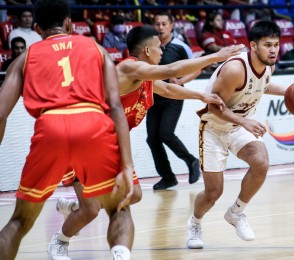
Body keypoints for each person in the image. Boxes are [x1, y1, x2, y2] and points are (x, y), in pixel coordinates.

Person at [49, 25, 244, 259]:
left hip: (110, 147)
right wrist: (215, 56)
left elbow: (170, 89)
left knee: (134, 195)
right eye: (159, 47)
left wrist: (201, 96)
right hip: (83, 141)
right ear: (148, 50)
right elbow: (171, 70)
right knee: (91, 210)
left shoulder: (144, 79)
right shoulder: (128, 67)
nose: (162, 51)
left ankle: (75, 207)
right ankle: (60, 241)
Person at [0, 1, 136, 260]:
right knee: (119, 210)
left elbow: (0, 114)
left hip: (50, 127)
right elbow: (116, 106)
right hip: (93, 124)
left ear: (37, 28)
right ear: (69, 24)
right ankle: (120, 254)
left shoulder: (25, 57)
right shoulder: (96, 48)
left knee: (18, 222)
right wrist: (127, 165)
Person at [186, 20, 289, 249]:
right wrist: (245, 121)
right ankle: (194, 223)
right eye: (267, 45)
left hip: (240, 126)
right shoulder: (234, 69)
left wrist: (291, 92)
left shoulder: (268, 67)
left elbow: (262, 85)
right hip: (213, 128)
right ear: (253, 46)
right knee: (213, 193)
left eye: (276, 44)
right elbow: (214, 106)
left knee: (261, 162)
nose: (273, 50)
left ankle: (236, 213)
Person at [147, 12, 206, 190]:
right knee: (152, 139)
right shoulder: (150, 45)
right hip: (153, 96)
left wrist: (181, 81)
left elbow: (198, 68)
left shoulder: (180, 46)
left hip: (173, 96)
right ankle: (168, 177)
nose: (160, 27)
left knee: (165, 133)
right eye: (157, 24)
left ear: (172, 25)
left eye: (164, 23)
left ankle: (191, 160)